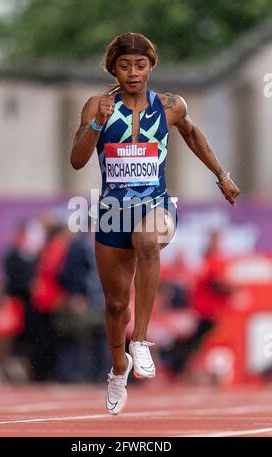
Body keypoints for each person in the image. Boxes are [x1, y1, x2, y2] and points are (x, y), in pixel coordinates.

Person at [70, 32, 240, 415]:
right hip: (113, 211)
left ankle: (141, 341)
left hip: (156, 203)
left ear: (151, 67)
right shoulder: (98, 105)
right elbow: (77, 161)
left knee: (148, 241)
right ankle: (118, 370)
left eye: (140, 66)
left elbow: (194, 135)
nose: (133, 73)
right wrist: (96, 126)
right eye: (125, 66)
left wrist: (222, 176)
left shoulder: (169, 106)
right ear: (113, 67)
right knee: (114, 305)